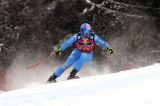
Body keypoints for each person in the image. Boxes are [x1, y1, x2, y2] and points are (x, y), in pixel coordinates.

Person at [47, 23, 113, 83]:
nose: (87, 35)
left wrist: (109, 48)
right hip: (77, 52)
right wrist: (60, 50)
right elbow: (68, 43)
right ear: (81, 31)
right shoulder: (77, 36)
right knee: (67, 64)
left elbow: (103, 43)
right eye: (85, 33)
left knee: (83, 56)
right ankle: (52, 78)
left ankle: (72, 75)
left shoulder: (93, 37)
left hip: (88, 54)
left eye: (88, 33)